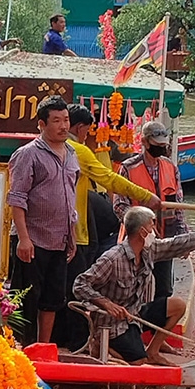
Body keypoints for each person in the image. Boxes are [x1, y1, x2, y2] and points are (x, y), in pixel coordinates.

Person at [74, 206, 195, 365]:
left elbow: (178, 243)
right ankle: (100, 344)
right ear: (142, 232)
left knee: (178, 306)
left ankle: (153, 351)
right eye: (151, 225)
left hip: (135, 314)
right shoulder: (112, 258)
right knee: (138, 361)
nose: (154, 230)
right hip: (112, 323)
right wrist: (106, 304)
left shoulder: (149, 250)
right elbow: (80, 284)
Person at [59, 105, 160, 349]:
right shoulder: (77, 150)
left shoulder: (63, 150)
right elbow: (108, 178)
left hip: (71, 230)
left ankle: (66, 340)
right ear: (80, 128)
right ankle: (77, 343)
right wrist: (145, 195)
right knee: (74, 288)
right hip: (74, 233)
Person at [8, 96, 79, 346]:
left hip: (59, 239)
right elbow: (17, 199)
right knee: (26, 298)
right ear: (41, 124)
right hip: (33, 239)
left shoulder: (71, 153)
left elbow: (70, 196)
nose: (63, 126)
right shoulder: (28, 155)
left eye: (66, 120)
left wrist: (72, 235)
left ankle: (43, 347)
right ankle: (20, 348)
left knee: (52, 299)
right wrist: (24, 239)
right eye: (56, 121)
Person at [114, 121, 187, 299]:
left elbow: (178, 206)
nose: (161, 149)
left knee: (164, 289)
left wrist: (183, 238)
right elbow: (119, 205)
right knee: (131, 289)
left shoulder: (171, 168)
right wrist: (140, 224)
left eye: (164, 145)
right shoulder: (128, 169)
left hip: (164, 237)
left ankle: (157, 323)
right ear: (145, 142)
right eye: (157, 145)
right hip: (136, 240)